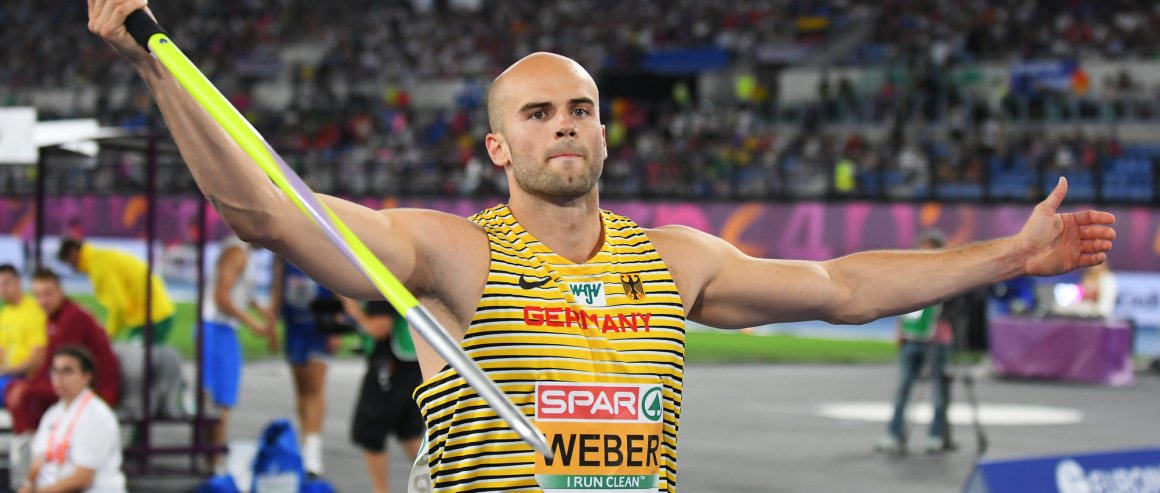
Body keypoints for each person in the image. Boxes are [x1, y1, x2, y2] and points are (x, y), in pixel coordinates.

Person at [90, 6, 1117, 491]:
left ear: (605, 131)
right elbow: (271, 213)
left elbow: (842, 284)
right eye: (537, 112)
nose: (565, 124)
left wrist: (1009, 257)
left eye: (580, 108)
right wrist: (153, 66)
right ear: (498, 144)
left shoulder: (671, 260)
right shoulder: (450, 255)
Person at [7, 269, 120, 490]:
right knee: (22, 390)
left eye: (48, 294)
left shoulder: (72, 318)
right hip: (78, 393)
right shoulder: (56, 413)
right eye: (38, 295)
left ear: (61, 291)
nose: (42, 301)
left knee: (27, 393)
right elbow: (54, 363)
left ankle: (24, 438)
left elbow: (81, 478)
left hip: (101, 390)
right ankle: (25, 442)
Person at [201, 235, 277, 472]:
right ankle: (213, 461)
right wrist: (251, 322)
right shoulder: (236, 253)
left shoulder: (245, 254)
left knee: (221, 398)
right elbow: (221, 297)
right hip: (216, 328)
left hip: (222, 330)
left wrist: (259, 309)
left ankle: (212, 456)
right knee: (220, 398)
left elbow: (240, 289)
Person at [875, 230, 953, 455]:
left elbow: (955, 309)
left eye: (930, 247)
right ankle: (893, 433)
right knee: (903, 389)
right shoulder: (911, 275)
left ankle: (936, 435)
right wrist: (899, 331)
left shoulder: (949, 275)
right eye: (923, 246)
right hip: (912, 339)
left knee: (938, 392)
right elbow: (904, 305)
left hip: (937, 340)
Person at [341, 297, 423, 493]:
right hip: (410, 361)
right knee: (410, 433)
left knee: (371, 432)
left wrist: (353, 310)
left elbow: (380, 327)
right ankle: (441, 484)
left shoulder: (382, 279)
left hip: (390, 365)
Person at [18, 346, 126, 493]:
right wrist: (27, 487)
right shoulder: (53, 413)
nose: (59, 378)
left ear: (87, 376)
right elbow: (38, 464)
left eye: (67, 371)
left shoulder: (97, 416)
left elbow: (82, 478)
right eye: (55, 371)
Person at [270, 259, 342, 476]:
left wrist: (336, 326)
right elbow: (277, 288)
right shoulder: (283, 253)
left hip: (319, 324)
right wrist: (272, 324)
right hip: (295, 326)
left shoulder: (323, 244)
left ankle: (313, 453)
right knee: (301, 389)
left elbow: (337, 283)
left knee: (315, 388)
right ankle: (305, 443)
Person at [57, 239, 176, 344]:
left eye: (69, 263)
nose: (72, 269)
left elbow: (119, 307)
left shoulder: (99, 266)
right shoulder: (100, 257)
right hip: (152, 315)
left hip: (153, 317)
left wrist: (107, 335)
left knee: (138, 362)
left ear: (73, 253)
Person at [0, 264, 48, 406]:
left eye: (6, 283)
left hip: (23, 377)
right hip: (6, 375)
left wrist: (5, 370)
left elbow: (37, 360)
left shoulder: (35, 310)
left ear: (19, 282)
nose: (3, 289)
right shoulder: (5, 313)